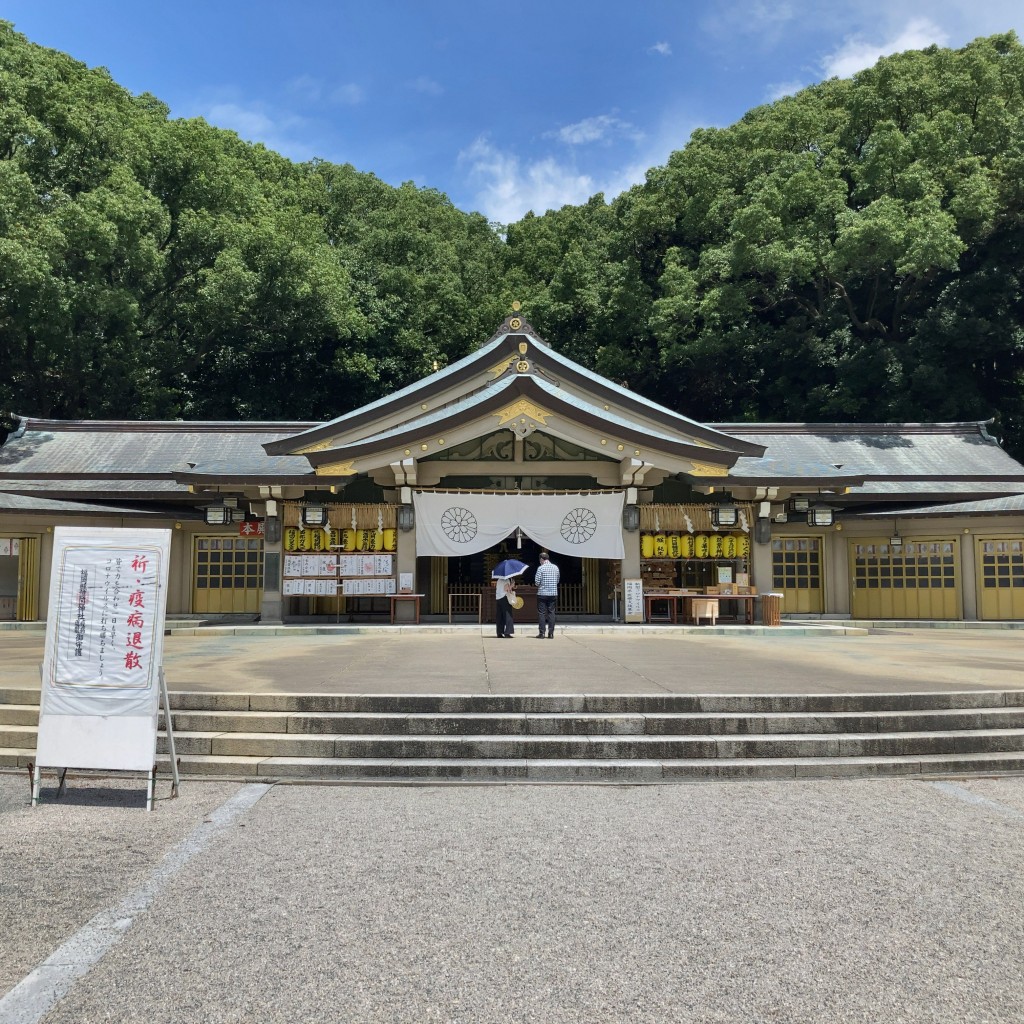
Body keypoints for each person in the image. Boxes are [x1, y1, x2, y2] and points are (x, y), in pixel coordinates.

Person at [534, 551, 559, 638]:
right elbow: (557, 580)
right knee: (551, 612)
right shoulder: (555, 567)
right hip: (553, 593)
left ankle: (542, 633)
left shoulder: (541, 568)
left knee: (542, 613)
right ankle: (551, 633)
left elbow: (537, 582)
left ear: (541, 559)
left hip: (542, 593)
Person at [495, 574, 516, 638]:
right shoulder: (506, 579)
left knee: (500, 616)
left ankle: (499, 632)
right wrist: (512, 584)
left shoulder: (498, 580)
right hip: (505, 597)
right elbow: (506, 589)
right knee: (508, 615)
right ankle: (507, 632)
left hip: (498, 598)